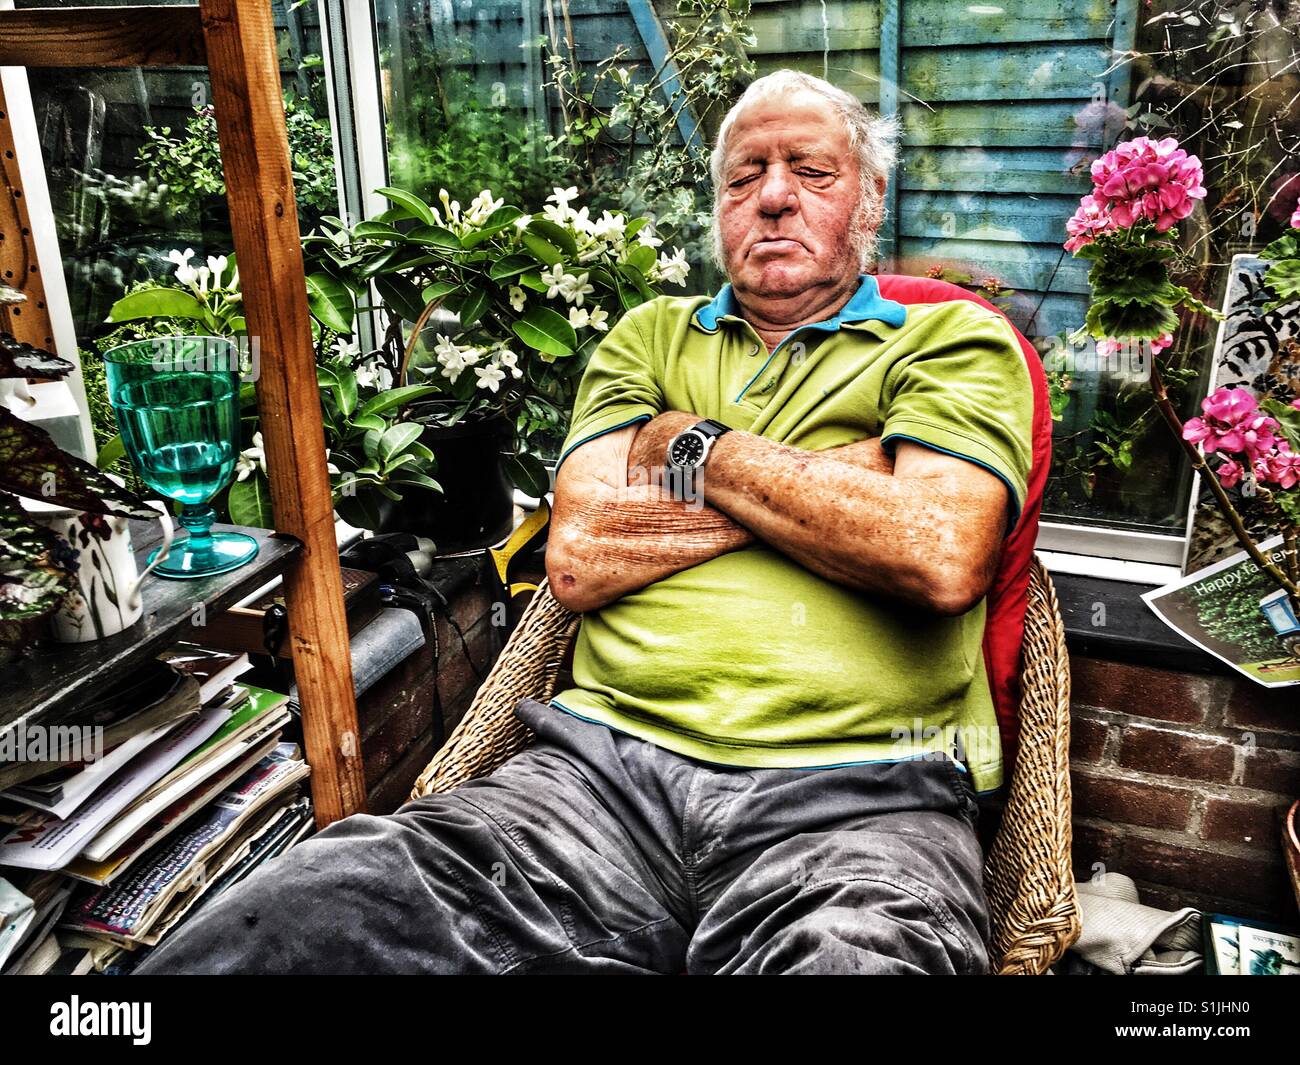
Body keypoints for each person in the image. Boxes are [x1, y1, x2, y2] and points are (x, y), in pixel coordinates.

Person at [137, 69, 1033, 976]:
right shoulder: (649, 336)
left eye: (811, 170)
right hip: (592, 785)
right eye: (743, 176)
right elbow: (580, 554)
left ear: (871, 200)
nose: (771, 197)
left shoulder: (954, 342)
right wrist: (842, 482)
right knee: (300, 911)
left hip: (861, 805)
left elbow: (937, 553)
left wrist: (690, 447)